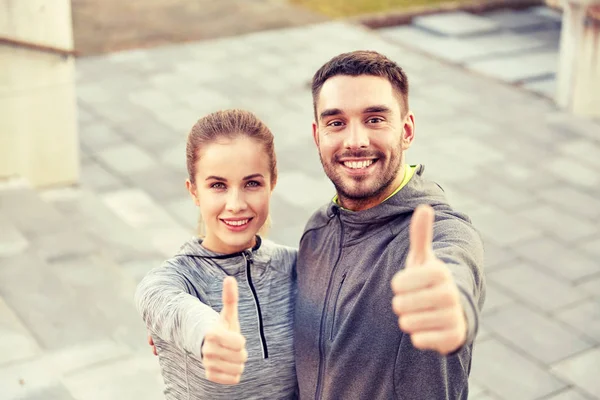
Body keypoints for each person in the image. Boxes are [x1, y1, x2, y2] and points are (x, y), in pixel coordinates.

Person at [292, 50, 485, 400]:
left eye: (375, 119)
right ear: (317, 135)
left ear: (407, 130)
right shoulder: (316, 230)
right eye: (336, 122)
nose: (355, 141)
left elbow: (454, 270)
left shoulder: (445, 231)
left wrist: (452, 311)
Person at [135, 109, 298, 399]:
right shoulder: (168, 281)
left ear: (272, 183)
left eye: (252, 183)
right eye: (217, 185)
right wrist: (210, 335)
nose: (235, 204)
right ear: (194, 191)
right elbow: (170, 307)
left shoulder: (299, 267)